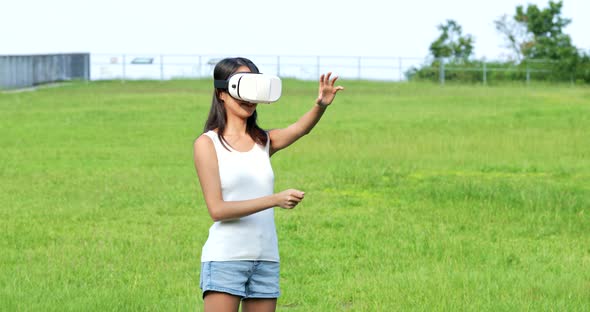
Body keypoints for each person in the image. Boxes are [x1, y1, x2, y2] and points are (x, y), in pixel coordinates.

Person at [193, 57, 344, 312]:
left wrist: (320, 105)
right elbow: (217, 210)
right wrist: (274, 199)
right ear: (221, 93)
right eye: (242, 87)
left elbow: (299, 129)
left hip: (265, 259)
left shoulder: (263, 141)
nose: (249, 98)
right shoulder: (208, 144)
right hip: (226, 259)